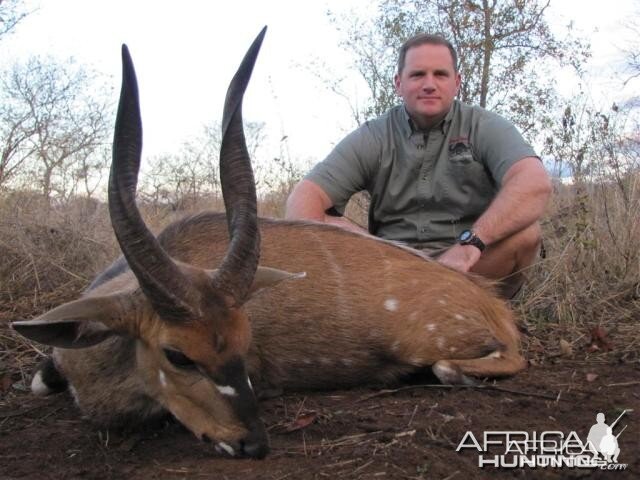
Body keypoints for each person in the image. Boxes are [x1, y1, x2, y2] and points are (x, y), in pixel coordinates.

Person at [285, 33, 551, 298]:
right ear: (399, 83)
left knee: (526, 234)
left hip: (468, 267)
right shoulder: (374, 135)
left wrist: (471, 244)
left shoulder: (483, 126)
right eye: (417, 75)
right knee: (324, 222)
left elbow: (534, 182)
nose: (429, 84)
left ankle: (488, 312)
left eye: (440, 74)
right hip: (390, 269)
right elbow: (305, 197)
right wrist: (373, 253)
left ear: (456, 82)